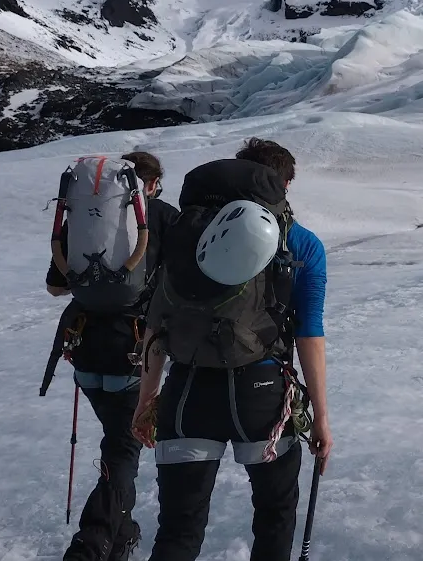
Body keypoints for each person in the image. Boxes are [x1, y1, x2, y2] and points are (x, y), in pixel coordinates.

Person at [135, 137, 331, 561]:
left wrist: (147, 400)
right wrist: (321, 418)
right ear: (284, 185)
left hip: (187, 391)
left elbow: (158, 323)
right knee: (274, 518)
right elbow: (308, 334)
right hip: (262, 395)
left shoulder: (187, 235)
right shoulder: (301, 244)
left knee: (178, 532)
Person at [49, 151, 180, 561]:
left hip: (86, 355)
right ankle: (92, 544)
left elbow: (57, 286)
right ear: (151, 184)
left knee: (117, 442)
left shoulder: (85, 221)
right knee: (123, 449)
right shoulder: (160, 216)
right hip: (134, 354)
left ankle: (122, 537)